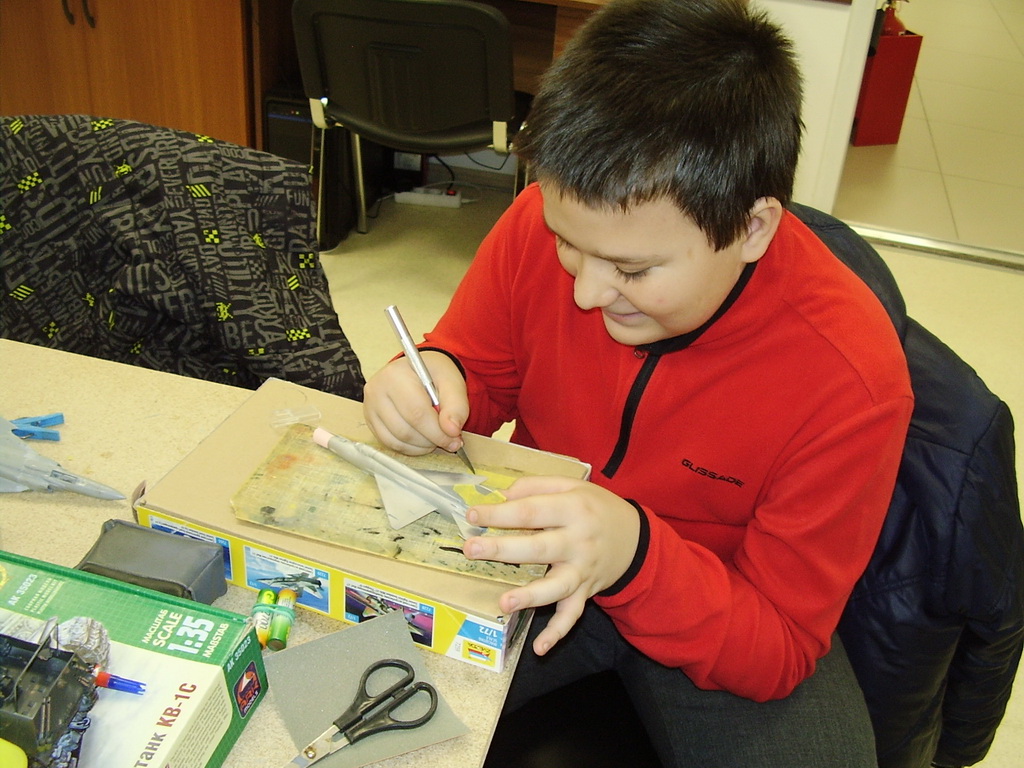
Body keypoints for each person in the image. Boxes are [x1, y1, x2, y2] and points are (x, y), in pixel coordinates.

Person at [363, 0, 914, 764]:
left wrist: (635, 555)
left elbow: (780, 642)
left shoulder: (852, 381)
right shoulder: (544, 222)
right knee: (345, 694)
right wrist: (431, 379)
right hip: (535, 555)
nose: (587, 291)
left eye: (633, 269)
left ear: (752, 227)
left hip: (721, 599)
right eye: (569, 245)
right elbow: (477, 369)